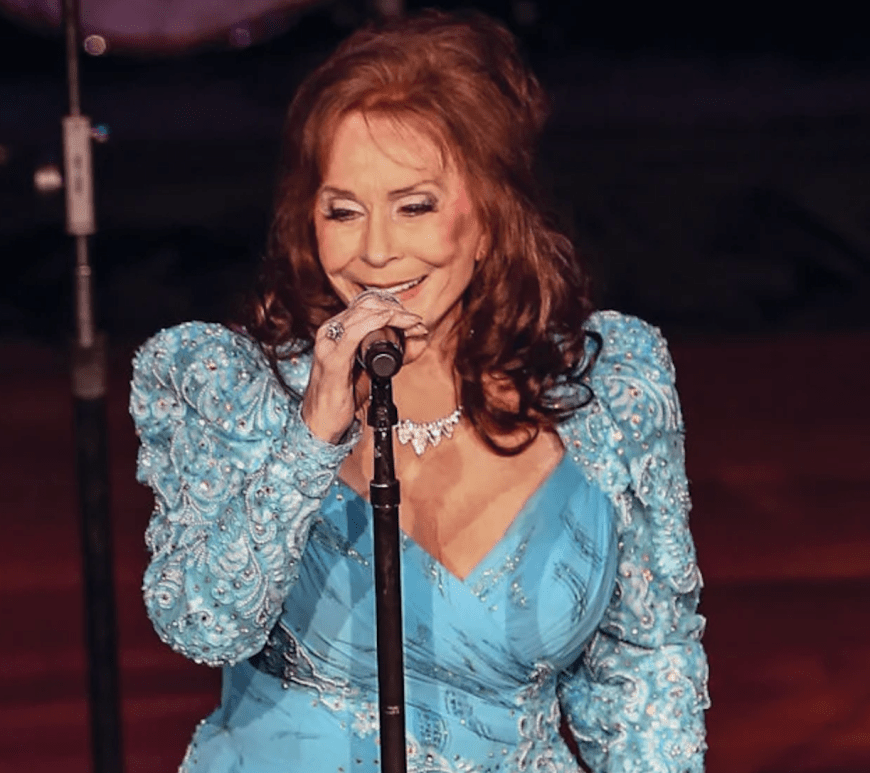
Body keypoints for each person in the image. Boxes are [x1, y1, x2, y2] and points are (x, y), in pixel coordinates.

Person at [130, 10, 709, 773]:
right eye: (344, 210)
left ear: (490, 216)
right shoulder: (233, 385)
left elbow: (645, 666)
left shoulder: (606, 387)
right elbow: (203, 623)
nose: (375, 250)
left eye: (415, 206)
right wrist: (311, 439)